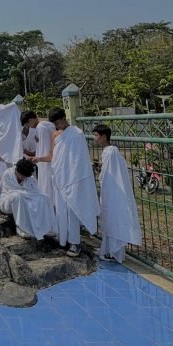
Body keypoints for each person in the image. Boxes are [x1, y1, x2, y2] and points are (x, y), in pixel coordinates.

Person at [49, 107, 100, 257]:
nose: (57, 126)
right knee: (61, 210)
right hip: (59, 178)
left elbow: (79, 159)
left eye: (58, 122)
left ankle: (74, 243)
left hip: (73, 179)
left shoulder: (77, 134)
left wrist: (74, 178)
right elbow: (55, 157)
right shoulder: (57, 136)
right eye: (54, 124)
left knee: (73, 211)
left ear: (64, 118)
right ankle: (62, 240)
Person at [93, 124, 142, 262]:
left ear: (103, 137)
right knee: (109, 219)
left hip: (113, 192)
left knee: (114, 219)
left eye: (96, 135)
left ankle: (114, 253)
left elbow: (109, 174)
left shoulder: (110, 152)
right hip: (110, 192)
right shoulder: (109, 151)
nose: (94, 138)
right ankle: (107, 250)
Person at [0, 158, 57, 240]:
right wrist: (26, 193)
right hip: (8, 202)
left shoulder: (30, 177)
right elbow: (11, 191)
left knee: (45, 198)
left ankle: (46, 228)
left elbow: (35, 192)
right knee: (17, 196)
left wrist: (27, 194)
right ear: (17, 169)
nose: (22, 177)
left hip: (27, 200)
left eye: (24, 176)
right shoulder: (7, 174)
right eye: (21, 175)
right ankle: (21, 228)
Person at [23, 111, 57, 204]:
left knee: (47, 187)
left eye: (27, 124)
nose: (29, 127)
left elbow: (45, 148)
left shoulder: (41, 127)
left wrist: (39, 159)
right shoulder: (46, 124)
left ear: (31, 120)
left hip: (46, 163)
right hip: (47, 160)